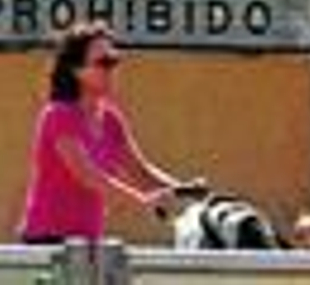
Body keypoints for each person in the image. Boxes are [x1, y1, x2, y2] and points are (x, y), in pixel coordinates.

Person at [18, 20, 188, 243]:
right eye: (103, 63)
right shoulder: (58, 115)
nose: (112, 70)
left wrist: (188, 193)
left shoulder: (110, 118)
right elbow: (90, 176)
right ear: (76, 70)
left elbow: (140, 171)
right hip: (47, 240)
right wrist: (144, 201)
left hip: (88, 242)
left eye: (115, 61)